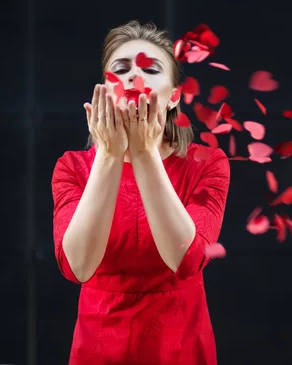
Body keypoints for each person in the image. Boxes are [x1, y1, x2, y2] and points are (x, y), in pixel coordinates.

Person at [51, 20, 230, 365]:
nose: (135, 76)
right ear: (104, 88)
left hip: (180, 347)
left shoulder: (208, 164)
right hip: (98, 349)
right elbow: (78, 267)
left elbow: (186, 260)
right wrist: (108, 155)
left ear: (174, 96)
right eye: (122, 68)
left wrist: (145, 152)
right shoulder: (71, 168)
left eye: (150, 68)